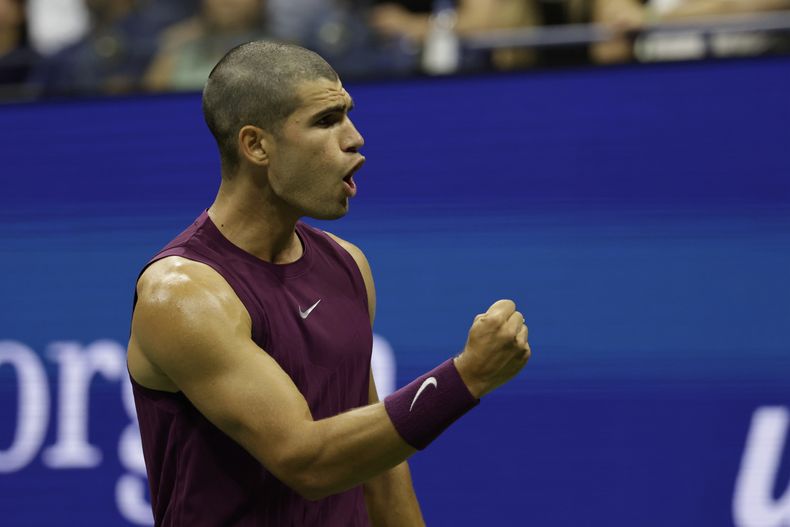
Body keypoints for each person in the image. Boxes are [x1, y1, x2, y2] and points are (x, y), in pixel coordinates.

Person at [127, 40, 532, 526]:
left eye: (348, 115)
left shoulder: (347, 264)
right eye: (326, 121)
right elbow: (307, 461)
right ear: (256, 145)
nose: (355, 138)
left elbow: (379, 468)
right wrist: (467, 377)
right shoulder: (183, 295)